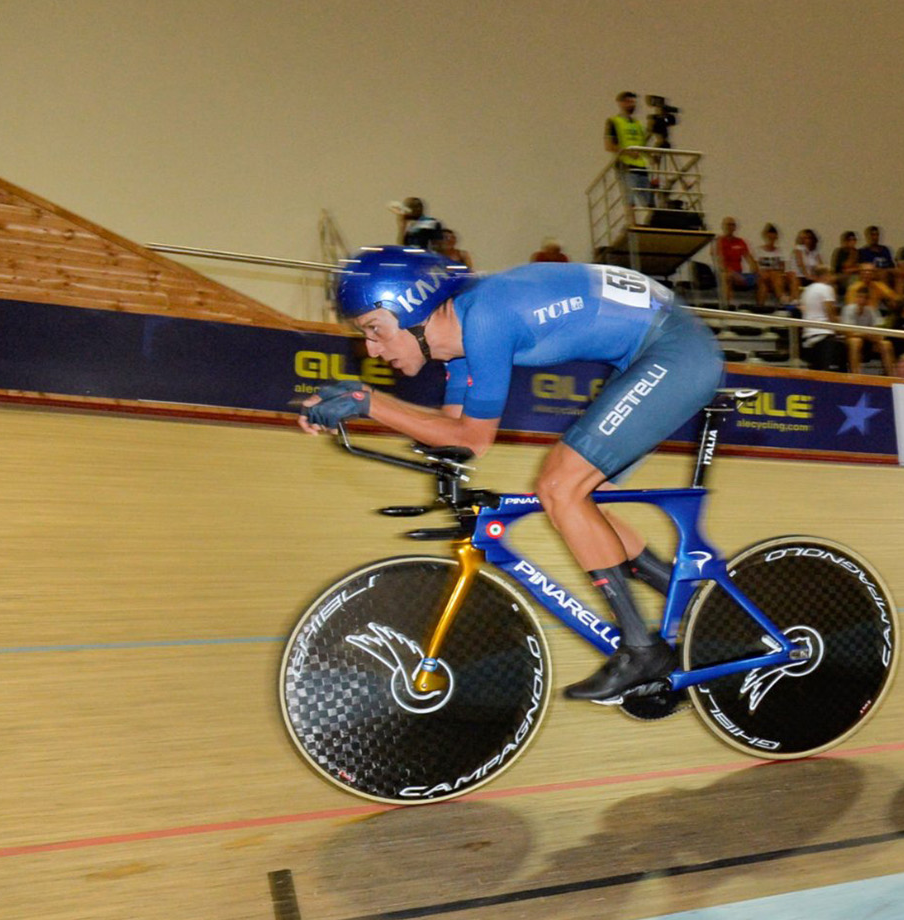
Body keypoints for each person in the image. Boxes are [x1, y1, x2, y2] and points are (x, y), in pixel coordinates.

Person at [297, 246, 723, 702]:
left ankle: (643, 651)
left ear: (414, 309)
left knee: (561, 485)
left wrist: (369, 403)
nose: (371, 348)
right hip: (655, 348)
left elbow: (474, 438)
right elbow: (455, 437)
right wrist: (363, 406)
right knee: (581, 501)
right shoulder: (459, 340)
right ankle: (702, 605)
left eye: (375, 330)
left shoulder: (487, 319)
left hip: (676, 350)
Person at [605, 92, 651, 215]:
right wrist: (627, 152)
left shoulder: (637, 124)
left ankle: (654, 222)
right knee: (630, 198)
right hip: (625, 165)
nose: (632, 105)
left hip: (640, 165)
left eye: (633, 102)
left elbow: (643, 145)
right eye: (629, 102)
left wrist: (652, 156)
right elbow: (609, 145)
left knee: (649, 199)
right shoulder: (613, 122)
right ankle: (633, 223)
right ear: (621, 103)